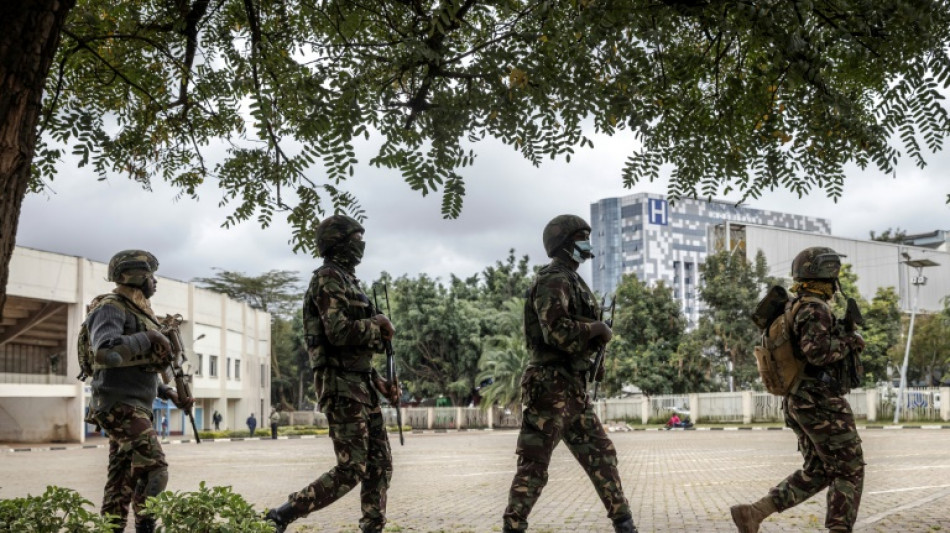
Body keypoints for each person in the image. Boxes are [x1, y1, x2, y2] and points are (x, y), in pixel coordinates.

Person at [501, 215, 637, 533]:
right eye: (582, 237)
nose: (588, 243)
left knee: (602, 456)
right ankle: (513, 526)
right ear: (565, 243)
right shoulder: (553, 279)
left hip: (572, 386)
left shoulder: (574, 281)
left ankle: (625, 524)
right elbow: (556, 331)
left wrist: (594, 348)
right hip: (549, 385)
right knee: (534, 466)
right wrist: (596, 329)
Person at [266, 214, 400, 533]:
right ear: (338, 243)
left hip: (362, 387)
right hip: (340, 386)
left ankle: (372, 527)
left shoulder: (349, 280)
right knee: (352, 468)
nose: (361, 245)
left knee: (380, 465)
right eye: (355, 239)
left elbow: (357, 353)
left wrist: (381, 383)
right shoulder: (328, 277)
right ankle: (282, 515)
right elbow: (338, 333)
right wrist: (377, 326)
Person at [730, 247, 866, 533]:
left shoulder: (793, 306)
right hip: (819, 400)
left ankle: (754, 513)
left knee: (818, 470)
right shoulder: (814, 308)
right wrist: (851, 341)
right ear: (829, 274)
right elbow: (817, 353)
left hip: (798, 399)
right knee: (848, 469)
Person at [84, 250, 193, 533]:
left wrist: (167, 392)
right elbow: (105, 352)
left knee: (120, 484)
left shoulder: (139, 311)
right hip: (118, 404)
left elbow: (138, 366)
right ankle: (146, 526)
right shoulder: (111, 307)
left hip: (134, 404)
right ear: (133, 276)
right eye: (150, 276)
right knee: (156, 469)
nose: (155, 282)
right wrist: (152, 336)